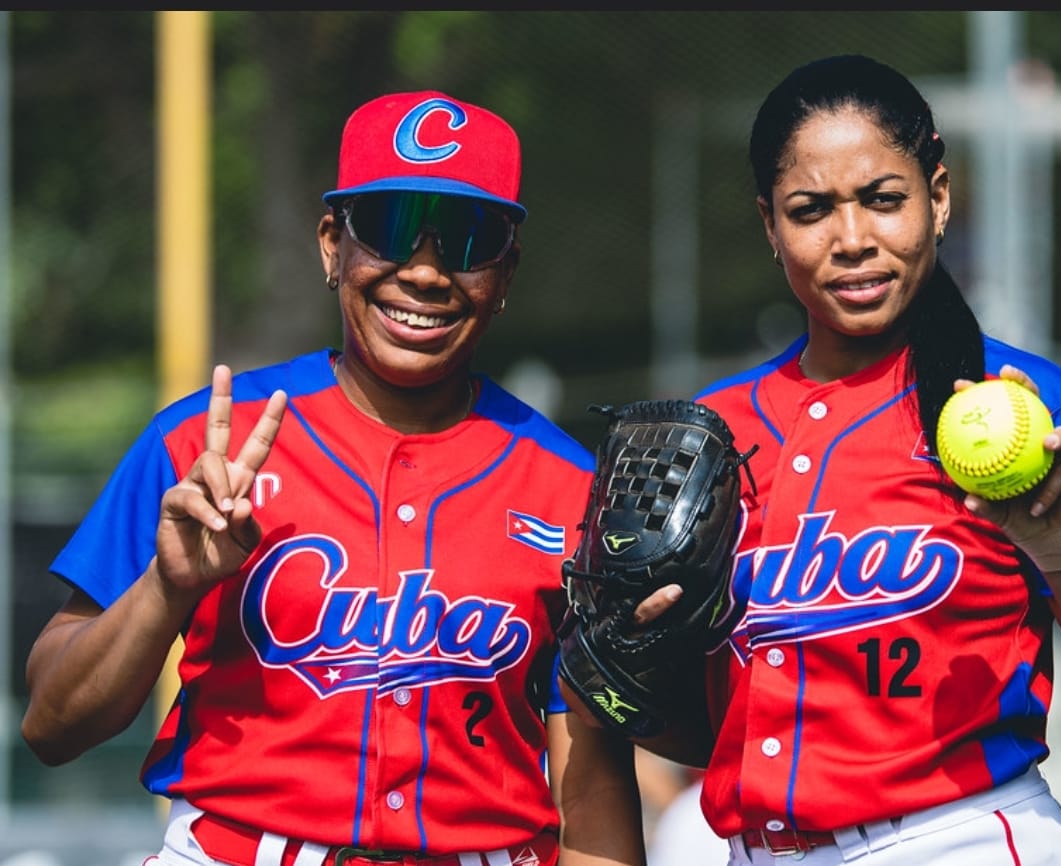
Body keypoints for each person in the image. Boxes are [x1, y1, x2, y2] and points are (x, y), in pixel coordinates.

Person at [22, 90, 647, 866]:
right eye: (388, 229)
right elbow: (51, 725)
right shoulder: (201, 444)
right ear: (331, 245)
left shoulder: (569, 486)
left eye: (465, 238)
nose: (423, 271)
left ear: (506, 271)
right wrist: (165, 587)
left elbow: (588, 794)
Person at [632, 54, 1061, 865]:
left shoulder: (1028, 405)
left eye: (884, 199)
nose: (854, 239)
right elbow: (711, 733)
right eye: (811, 210)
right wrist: (627, 660)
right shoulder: (712, 432)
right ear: (769, 224)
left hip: (958, 840)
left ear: (937, 198)